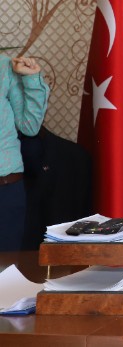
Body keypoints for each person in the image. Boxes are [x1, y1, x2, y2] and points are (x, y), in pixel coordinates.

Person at [0, 55, 50, 251]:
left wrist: (31, 79)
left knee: (6, 267)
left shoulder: (5, 67)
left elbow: (29, 126)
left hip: (5, 189)